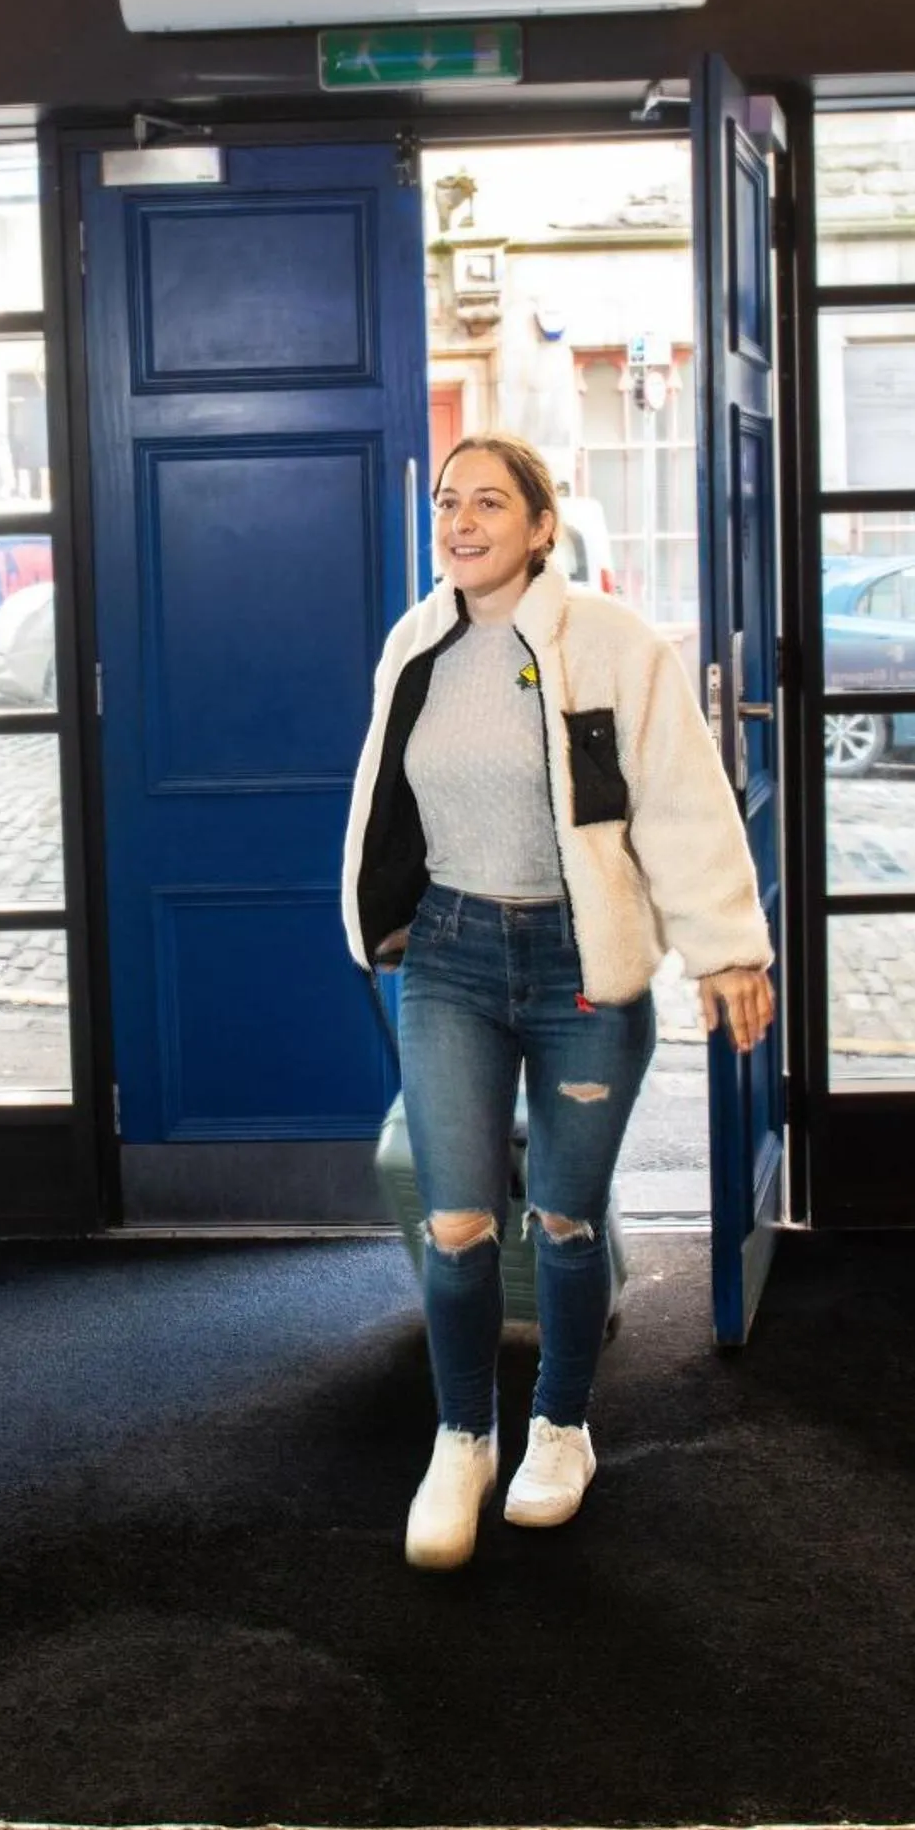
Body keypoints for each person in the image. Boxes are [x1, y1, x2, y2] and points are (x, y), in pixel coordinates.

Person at [342, 432, 774, 1570]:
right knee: (456, 1220)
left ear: (543, 526)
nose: (462, 520)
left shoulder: (616, 646)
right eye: (448, 502)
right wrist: (378, 916)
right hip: (450, 956)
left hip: (583, 965)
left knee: (569, 1219)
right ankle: (462, 1437)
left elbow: (680, 800)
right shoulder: (416, 644)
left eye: (491, 501)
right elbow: (385, 803)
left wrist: (726, 946)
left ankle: (561, 1426)